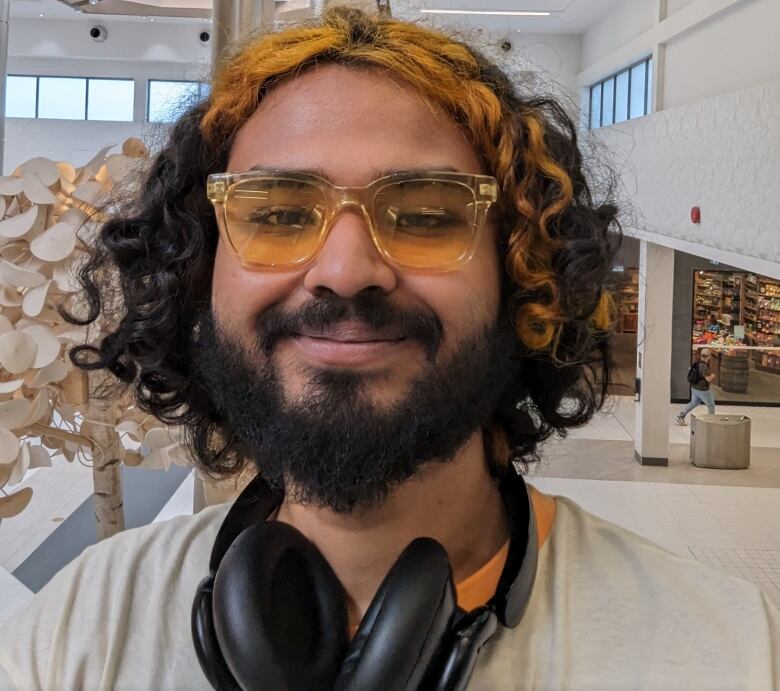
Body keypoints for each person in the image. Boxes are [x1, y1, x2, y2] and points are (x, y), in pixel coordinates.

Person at [1, 8, 777, 690]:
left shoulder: (731, 650)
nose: (344, 271)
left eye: (429, 214)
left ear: (521, 278)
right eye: (275, 212)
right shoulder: (73, 635)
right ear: (201, 277)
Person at [676, 347, 717, 425]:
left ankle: (680, 416)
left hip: (694, 387)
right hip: (702, 389)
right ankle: (712, 422)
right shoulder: (704, 366)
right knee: (711, 405)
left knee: (693, 403)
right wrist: (713, 376)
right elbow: (708, 379)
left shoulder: (697, 363)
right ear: (709, 356)